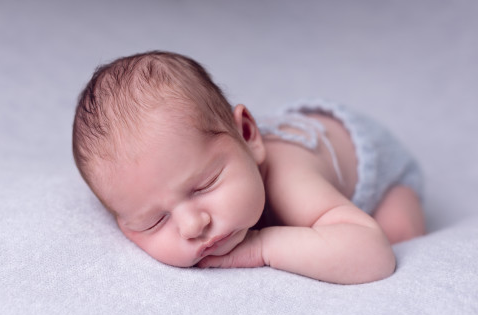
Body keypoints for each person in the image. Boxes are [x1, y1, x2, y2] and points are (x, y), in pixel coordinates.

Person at [72, 51, 425, 284]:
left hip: (377, 163)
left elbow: (374, 257)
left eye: (204, 185)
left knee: (397, 233)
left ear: (247, 135)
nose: (193, 225)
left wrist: (262, 247)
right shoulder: (190, 168)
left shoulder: (290, 179)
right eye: (154, 220)